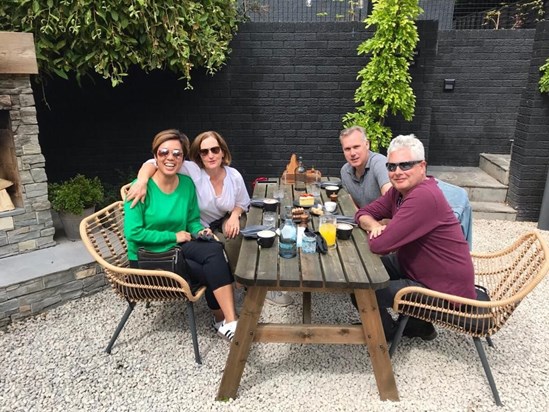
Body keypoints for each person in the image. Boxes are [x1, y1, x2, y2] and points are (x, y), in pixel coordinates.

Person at [127, 130, 293, 307]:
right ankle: (235, 289)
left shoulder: (233, 175)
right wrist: (142, 181)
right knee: (220, 247)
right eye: (204, 151)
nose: (210, 155)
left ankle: (249, 284)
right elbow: (155, 161)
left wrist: (235, 216)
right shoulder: (192, 170)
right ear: (198, 155)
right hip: (201, 227)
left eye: (214, 150)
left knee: (243, 235)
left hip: (227, 220)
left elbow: (243, 203)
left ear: (223, 151)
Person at [354, 134, 476, 342]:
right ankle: (418, 326)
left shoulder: (424, 196)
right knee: (360, 270)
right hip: (415, 267)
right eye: (391, 167)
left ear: (422, 166)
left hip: (442, 289)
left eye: (405, 165)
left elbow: (380, 245)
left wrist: (380, 231)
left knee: (360, 288)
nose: (397, 172)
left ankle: (389, 332)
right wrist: (375, 224)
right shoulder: (399, 192)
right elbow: (362, 213)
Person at [124, 129, 238, 341]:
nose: (170, 158)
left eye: (177, 154)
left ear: (183, 158)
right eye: (163, 152)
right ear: (155, 155)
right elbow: (133, 233)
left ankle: (229, 323)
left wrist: (199, 231)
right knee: (211, 270)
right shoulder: (140, 188)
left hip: (176, 250)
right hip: (148, 258)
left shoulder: (186, 185)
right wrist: (173, 237)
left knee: (214, 248)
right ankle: (224, 321)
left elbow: (193, 219)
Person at [339, 126, 392, 208]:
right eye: (347, 149)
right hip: (361, 219)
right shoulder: (345, 171)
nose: (352, 153)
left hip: (384, 219)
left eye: (356, 147)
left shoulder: (380, 163)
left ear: (367, 144)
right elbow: (352, 206)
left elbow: (391, 200)